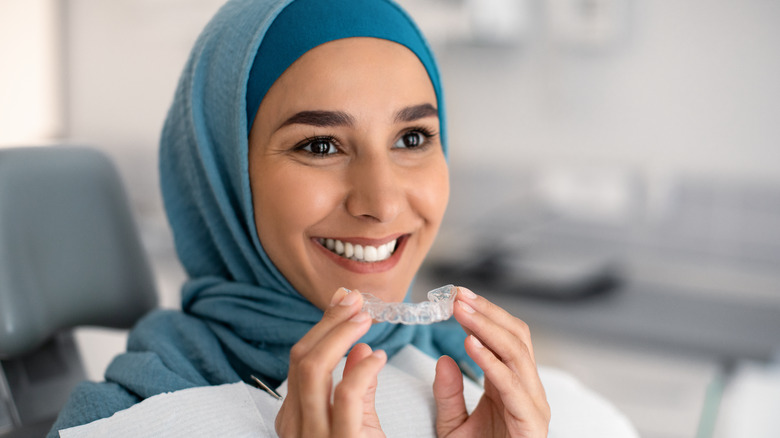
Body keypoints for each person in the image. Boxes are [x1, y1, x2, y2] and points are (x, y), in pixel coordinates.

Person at [49, 0, 638, 437]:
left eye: (412, 137)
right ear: (221, 175)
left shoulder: (497, 398)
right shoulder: (126, 420)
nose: (380, 203)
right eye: (320, 146)